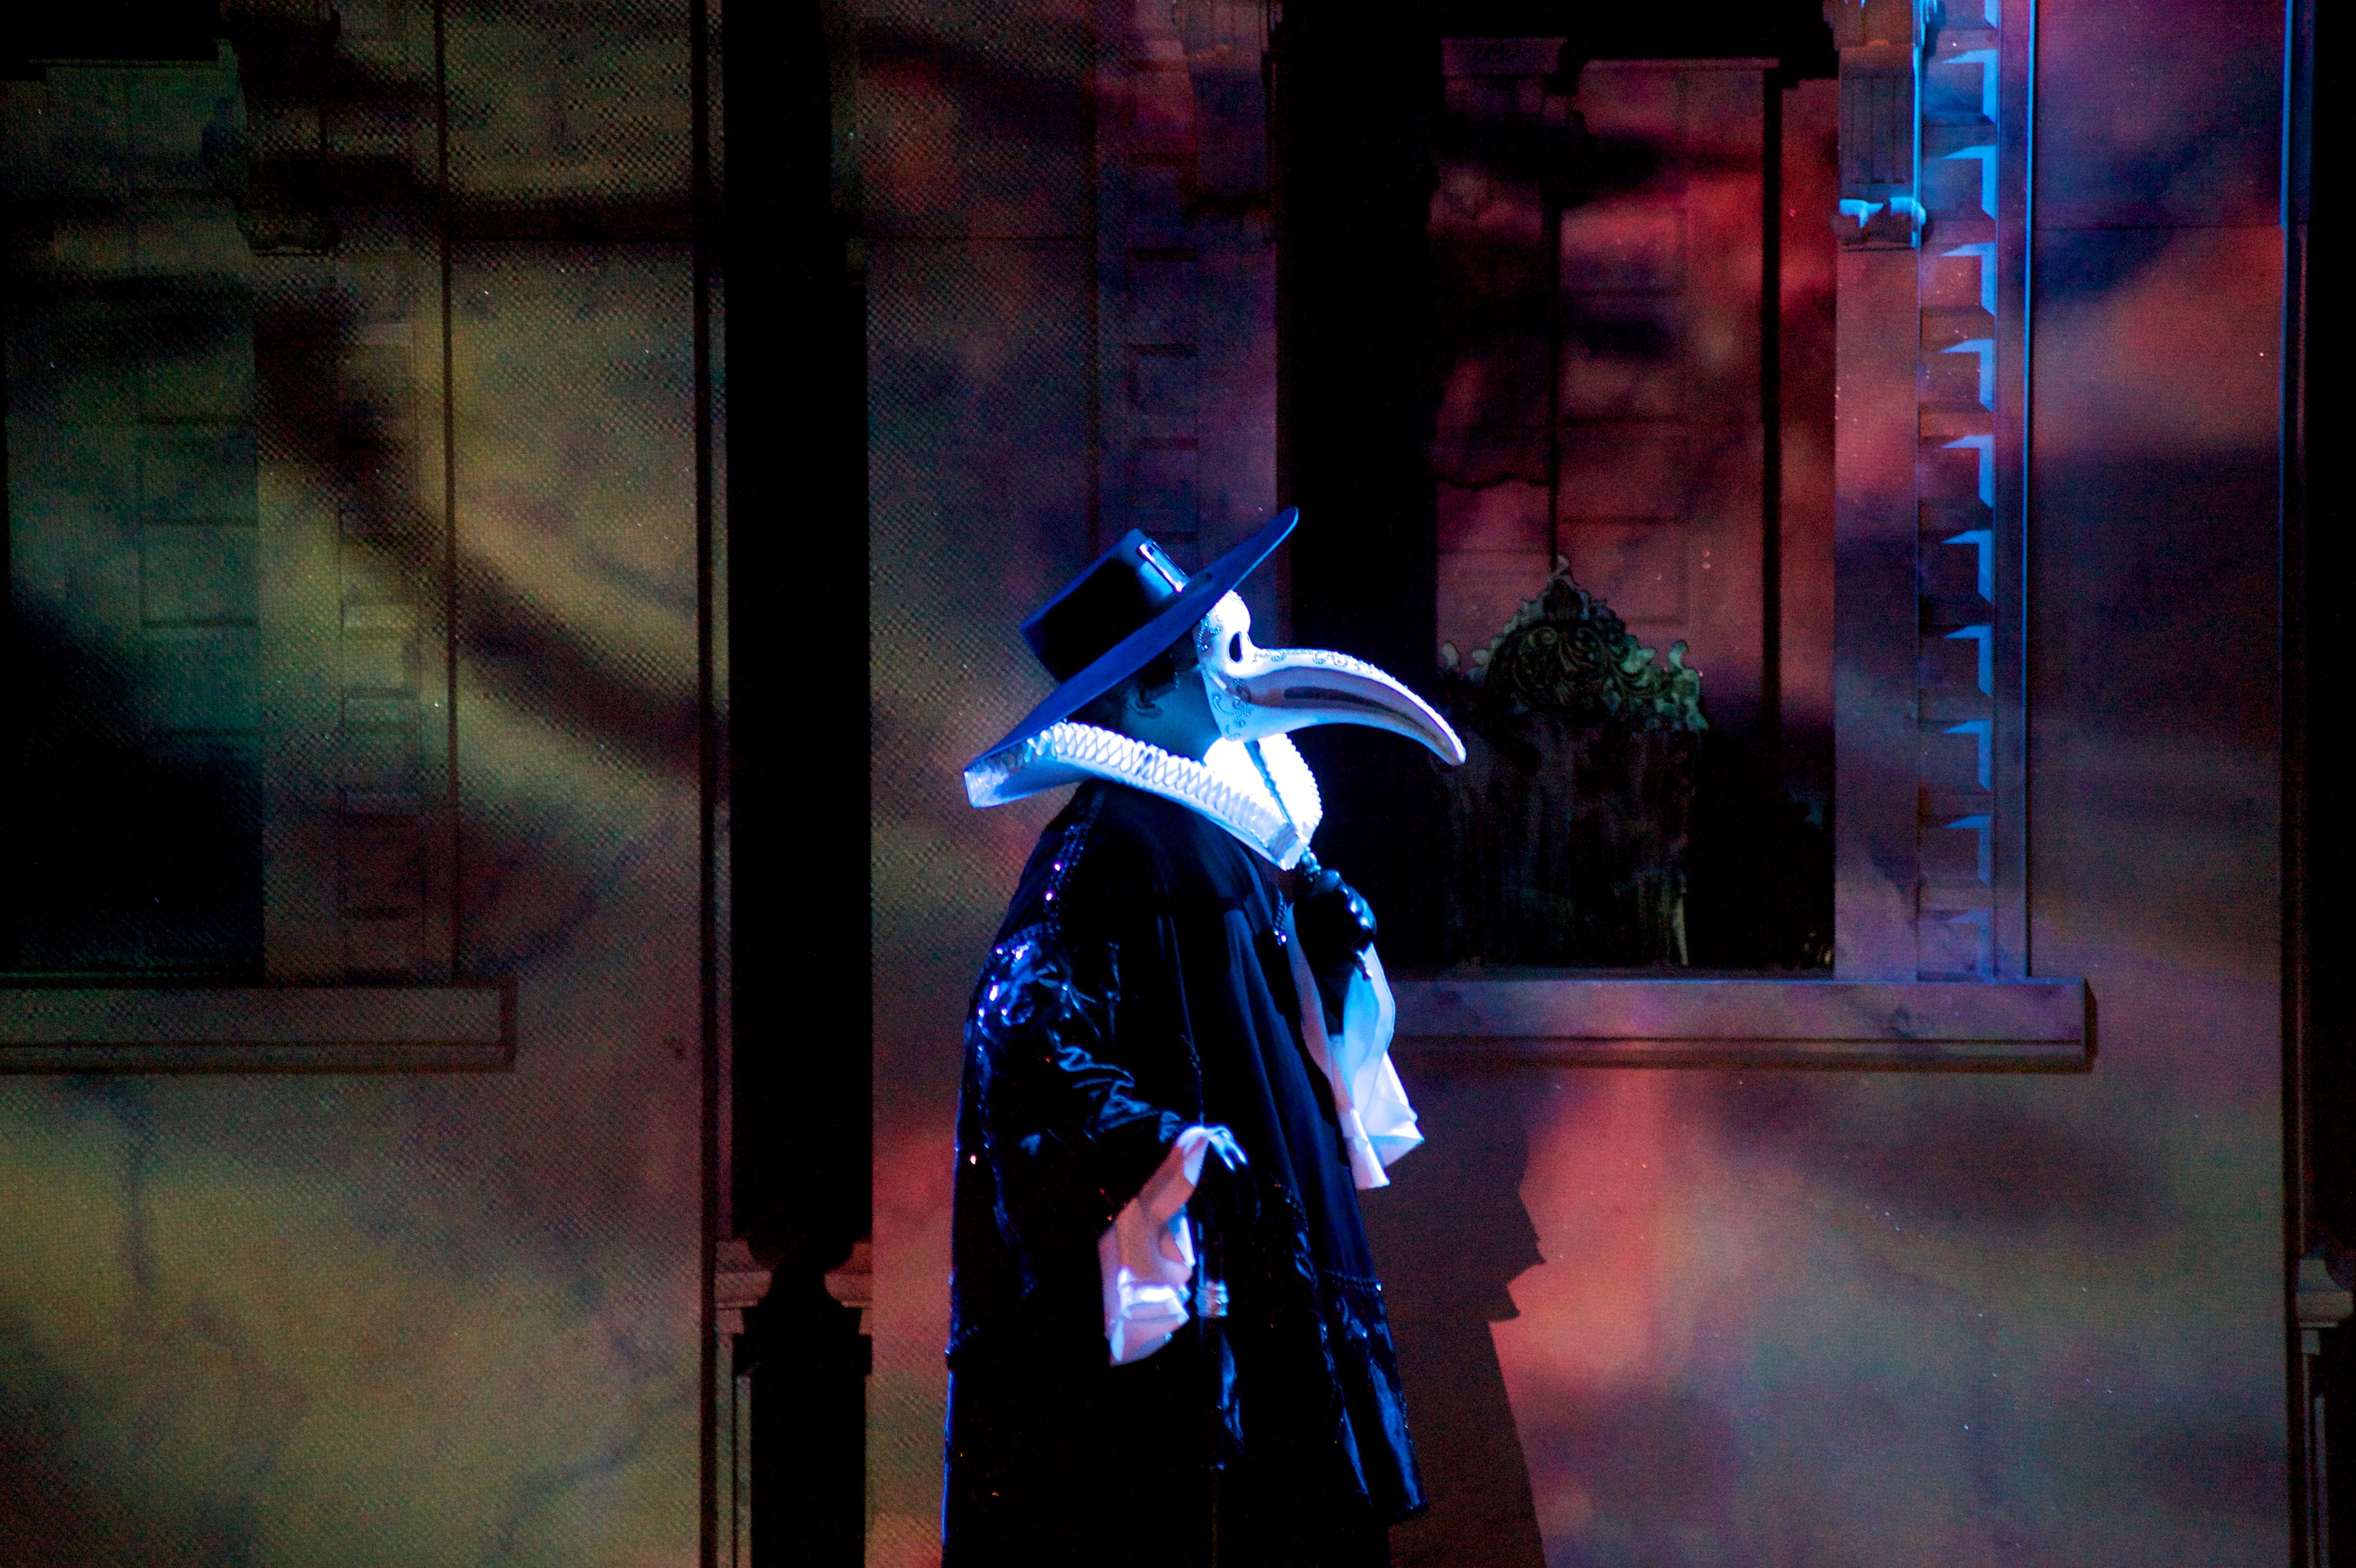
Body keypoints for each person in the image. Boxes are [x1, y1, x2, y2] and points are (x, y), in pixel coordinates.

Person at [946, 509, 1466, 1567]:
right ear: (1141, 695)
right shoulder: (1107, 843)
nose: (1234, 675)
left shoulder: (1212, 832)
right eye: (1202, 658)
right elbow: (1021, 1028)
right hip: (1217, 1259)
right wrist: (1164, 1147)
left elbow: (1273, 1026)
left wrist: (1324, 945)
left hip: (1278, 1225)